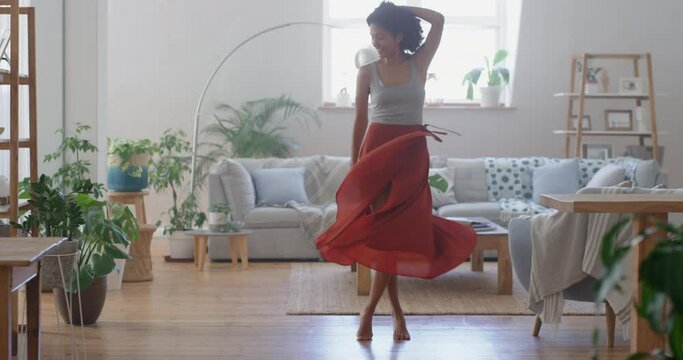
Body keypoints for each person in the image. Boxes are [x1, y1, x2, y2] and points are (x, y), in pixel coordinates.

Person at [315, 2, 477, 341]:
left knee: (400, 234)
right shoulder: (367, 71)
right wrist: (355, 165)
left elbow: (439, 19)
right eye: (372, 36)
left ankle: (380, 311)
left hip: (412, 154)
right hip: (378, 153)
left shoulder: (420, 61)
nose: (376, 42)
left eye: (382, 35)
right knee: (388, 235)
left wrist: (399, 7)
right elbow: (360, 120)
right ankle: (386, 314)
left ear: (399, 34)